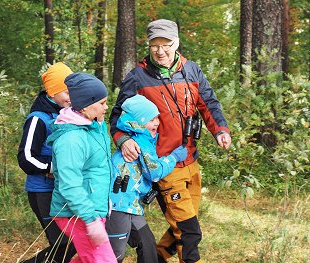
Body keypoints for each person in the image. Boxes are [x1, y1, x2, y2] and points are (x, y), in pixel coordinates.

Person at [109, 19, 232, 263]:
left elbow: (208, 103)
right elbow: (117, 116)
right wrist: (123, 140)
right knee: (188, 231)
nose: (161, 51)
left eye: (166, 44)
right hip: (162, 163)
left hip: (190, 159)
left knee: (187, 221)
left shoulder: (191, 70)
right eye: (155, 45)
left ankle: (157, 257)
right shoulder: (138, 77)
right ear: (149, 46)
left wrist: (220, 130)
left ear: (176, 43)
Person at [106, 94, 188, 262]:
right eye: (151, 120)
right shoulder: (141, 142)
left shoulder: (143, 139)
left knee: (148, 244)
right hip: (117, 205)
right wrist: (174, 157)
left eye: (157, 118)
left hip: (131, 204)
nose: (157, 123)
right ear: (139, 122)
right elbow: (154, 172)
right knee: (115, 254)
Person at [47, 72, 117, 263]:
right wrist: (90, 219)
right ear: (85, 106)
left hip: (94, 209)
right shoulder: (71, 140)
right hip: (77, 214)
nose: (106, 107)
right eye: (102, 103)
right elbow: (69, 185)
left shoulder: (94, 126)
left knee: (87, 258)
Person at [17, 62, 76, 263]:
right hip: (42, 192)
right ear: (52, 92)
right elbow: (25, 158)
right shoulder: (38, 119)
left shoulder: (68, 115)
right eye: (66, 91)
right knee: (63, 245)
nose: (71, 96)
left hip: (64, 190)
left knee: (68, 245)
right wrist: (51, 168)